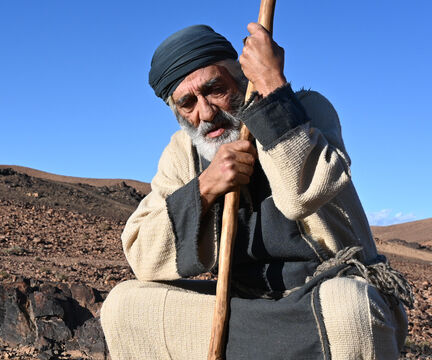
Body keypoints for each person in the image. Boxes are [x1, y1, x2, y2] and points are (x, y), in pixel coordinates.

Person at [100, 23, 411, 359]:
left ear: (241, 78)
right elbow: (143, 255)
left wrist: (271, 86)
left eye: (215, 89)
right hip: (245, 311)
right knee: (124, 306)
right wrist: (206, 187)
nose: (205, 113)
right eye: (188, 103)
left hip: (324, 299)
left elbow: (301, 194)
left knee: (351, 309)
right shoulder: (182, 153)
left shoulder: (305, 109)